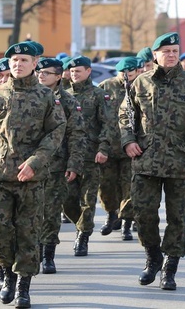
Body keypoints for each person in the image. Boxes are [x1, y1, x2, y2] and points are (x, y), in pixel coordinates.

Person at [119, 32, 185, 290]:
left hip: (180, 162)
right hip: (146, 160)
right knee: (143, 213)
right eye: (166, 51)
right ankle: (153, 256)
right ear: (156, 55)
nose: (171, 55)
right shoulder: (141, 82)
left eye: (175, 51)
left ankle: (170, 269)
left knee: (176, 218)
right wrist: (128, 140)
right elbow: (126, 114)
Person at [0, 42, 65, 307]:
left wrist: (36, 161)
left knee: (28, 233)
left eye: (24, 60)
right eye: (14, 60)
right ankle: (5, 272)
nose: (18, 64)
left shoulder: (45, 96)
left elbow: (56, 132)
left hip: (32, 177)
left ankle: (23, 286)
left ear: (34, 63)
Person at [35, 57, 86, 274]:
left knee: (52, 212)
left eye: (46, 73)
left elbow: (77, 134)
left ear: (58, 76)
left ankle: (48, 255)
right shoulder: (29, 98)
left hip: (56, 165)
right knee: (30, 211)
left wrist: (74, 163)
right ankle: (31, 251)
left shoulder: (67, 101)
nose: (41, 75)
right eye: (39, 72)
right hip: (28, 166)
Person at [63, 55, 115, 257]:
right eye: (72, 71)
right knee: (67, 199)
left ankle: (83, 235)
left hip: (91, 155)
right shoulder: (64, 95)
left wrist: (103, 148)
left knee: (88, 199)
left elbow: (108, 124)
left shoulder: (98, 95)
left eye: (78, 70)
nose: (75, 74)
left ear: (88, 71)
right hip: (68, 155)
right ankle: (80, 224)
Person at [98, 56, 142, 240]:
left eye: (130, 73)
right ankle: (111, 214)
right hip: (109, 145)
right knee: (107, 186)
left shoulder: (140, 86)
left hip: (132, 146)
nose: (126, 76)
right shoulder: (106, 87)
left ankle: (127, 223)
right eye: (123, 72)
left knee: (129, 187)